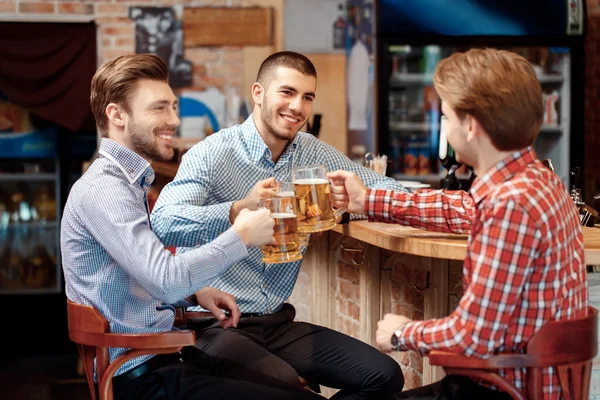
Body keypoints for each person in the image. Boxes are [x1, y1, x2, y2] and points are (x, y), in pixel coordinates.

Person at [61, 53, 325, 400]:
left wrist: (194, 293)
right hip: (140, 376)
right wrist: (241, 236)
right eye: (159, 108)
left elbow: (136, 279)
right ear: (117, 115)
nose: (173, 119)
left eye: (173, 107)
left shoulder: (125, 182)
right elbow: (166, 280)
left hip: (161, 359)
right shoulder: (106, 190)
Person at [327, 48, 588, 400]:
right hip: (527, 382)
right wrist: (368, 200)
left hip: (501, 389)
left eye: (446, 117)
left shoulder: (509, 205)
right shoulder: (537, 181)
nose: (443, 126)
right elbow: (460, 208)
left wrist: (402, 332)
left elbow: (474, 336)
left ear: (469, 125)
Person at [151, 51, 406, 399]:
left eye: (307, 97)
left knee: (385, 375)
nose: (297, 107)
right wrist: (237, 210)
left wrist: (346, 207)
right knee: (287, 386)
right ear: (258, 93)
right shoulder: (213, 154)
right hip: (216, 324)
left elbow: (389, 189)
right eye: (287, 92)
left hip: (277, 321)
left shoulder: (313, 153)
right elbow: (164, 221)